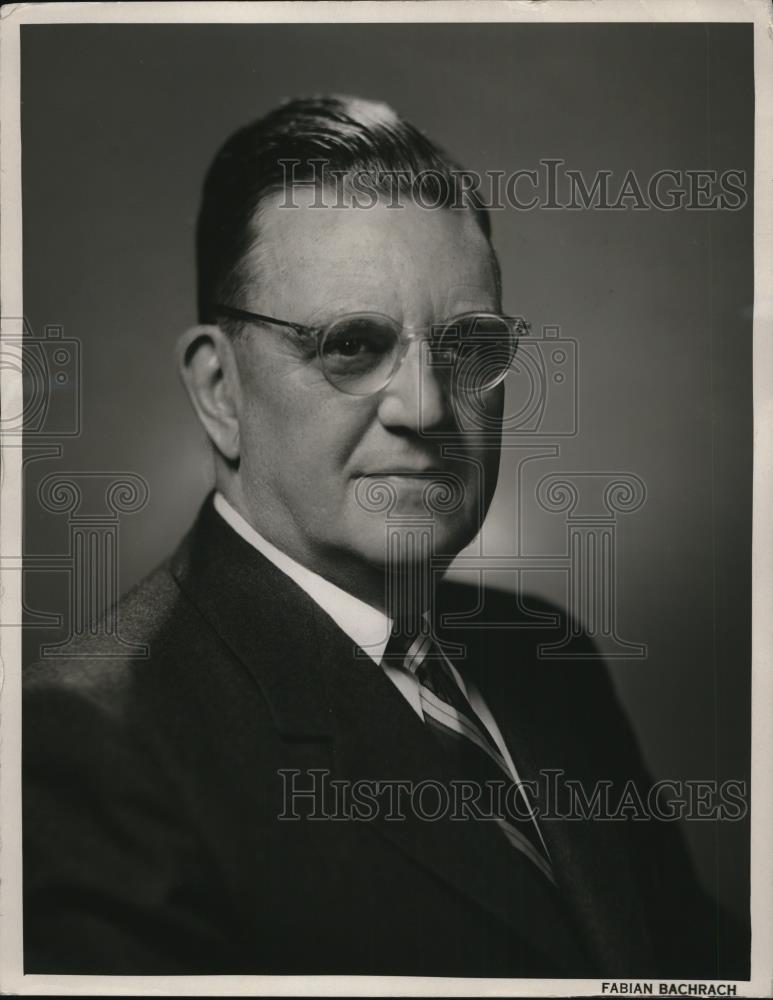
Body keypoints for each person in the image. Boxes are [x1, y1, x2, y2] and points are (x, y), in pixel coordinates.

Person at [22, 95, 743, 978]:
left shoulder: (547, 659)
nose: (428, 409)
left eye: (469, 346)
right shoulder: (87, 746)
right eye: (352, 345)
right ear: (219, 390)